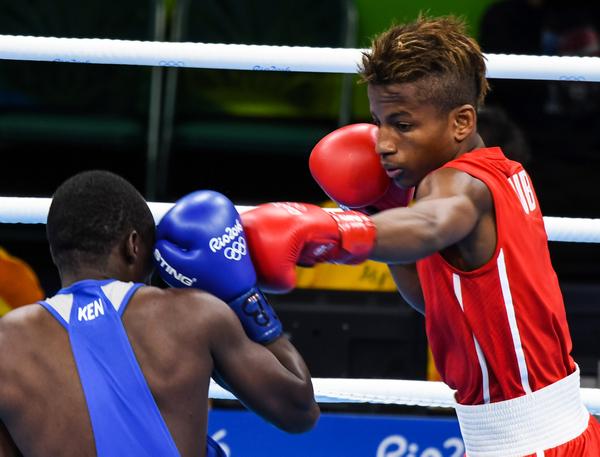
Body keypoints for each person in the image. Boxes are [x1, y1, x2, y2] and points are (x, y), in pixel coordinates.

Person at [237, 16, 600, 457]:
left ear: (461, 122)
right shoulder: (505, 170)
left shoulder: (456, 185)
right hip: (541, 433)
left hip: (531, 444)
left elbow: (432, 221)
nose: (382, 143)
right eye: (378, 122)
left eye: (403, 125)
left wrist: (338, 229)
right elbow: (436, 300)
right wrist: (380, 211)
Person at [0, 170, 319, 457]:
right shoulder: (191, 314)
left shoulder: (7, 341)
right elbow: (299, 409)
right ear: (134, 245)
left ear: (56, 251)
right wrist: (244, 297)